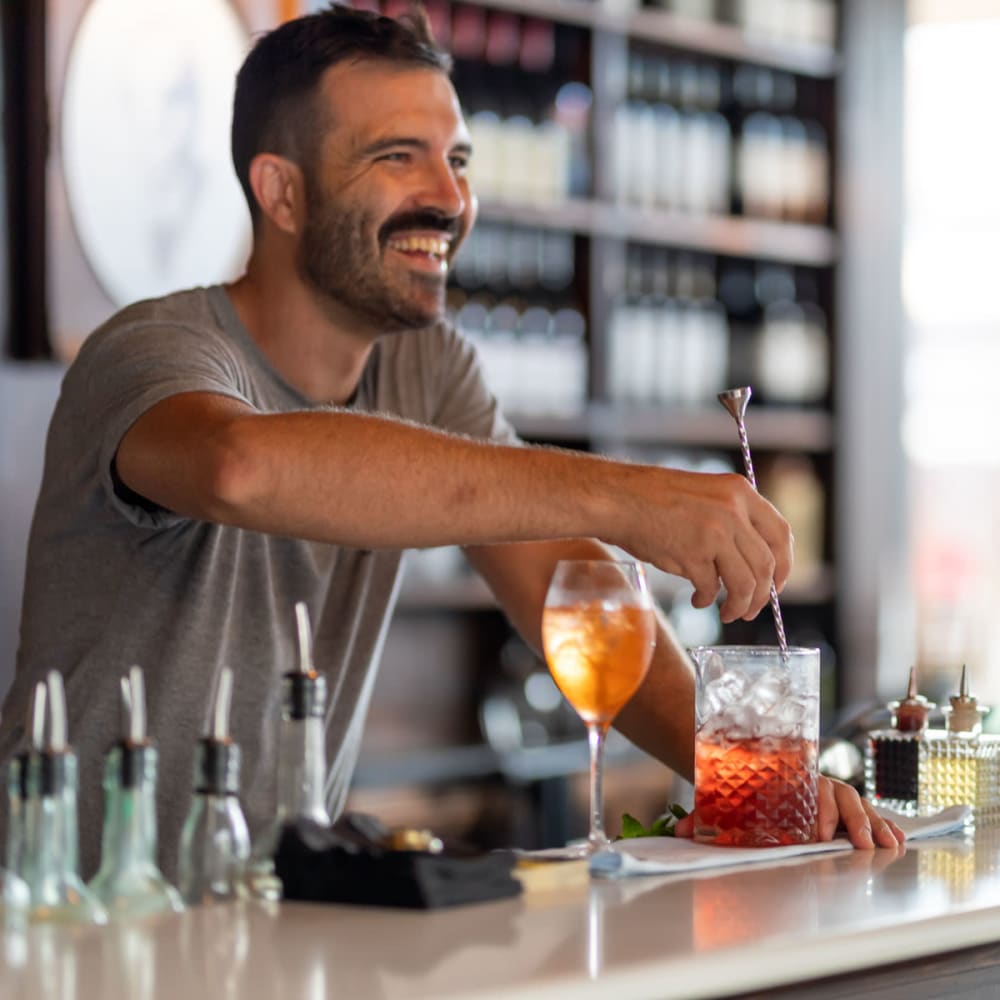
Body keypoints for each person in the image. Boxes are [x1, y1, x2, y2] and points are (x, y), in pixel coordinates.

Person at [0, 4, 902, 881]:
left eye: (457, 159)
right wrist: (629, 495)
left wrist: (749, 782)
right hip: (69, 911)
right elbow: (243, 467)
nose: (451, 199)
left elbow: (567, 587)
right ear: (281, 190)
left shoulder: (427, 367)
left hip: (273, 913)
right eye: (398, 158)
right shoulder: (150, 351)